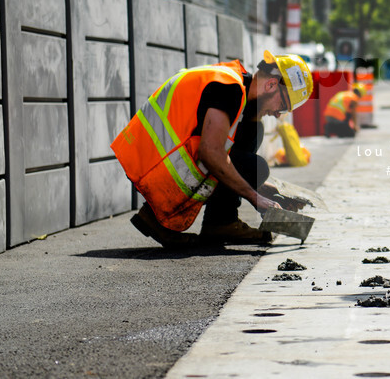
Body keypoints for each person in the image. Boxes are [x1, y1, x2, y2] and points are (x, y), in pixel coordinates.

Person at [111, 51, 314, 249]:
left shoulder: (237, 85)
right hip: (154, 161)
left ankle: (222, 223)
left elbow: (226, 154)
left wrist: (271, 192)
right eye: (283, 106)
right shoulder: (229, 89)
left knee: (253, 130)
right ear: (271, 85)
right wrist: (255, 197)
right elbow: (211, 153)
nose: (278, 115)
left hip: (161, 156)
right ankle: (157, 217)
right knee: (256, 164)